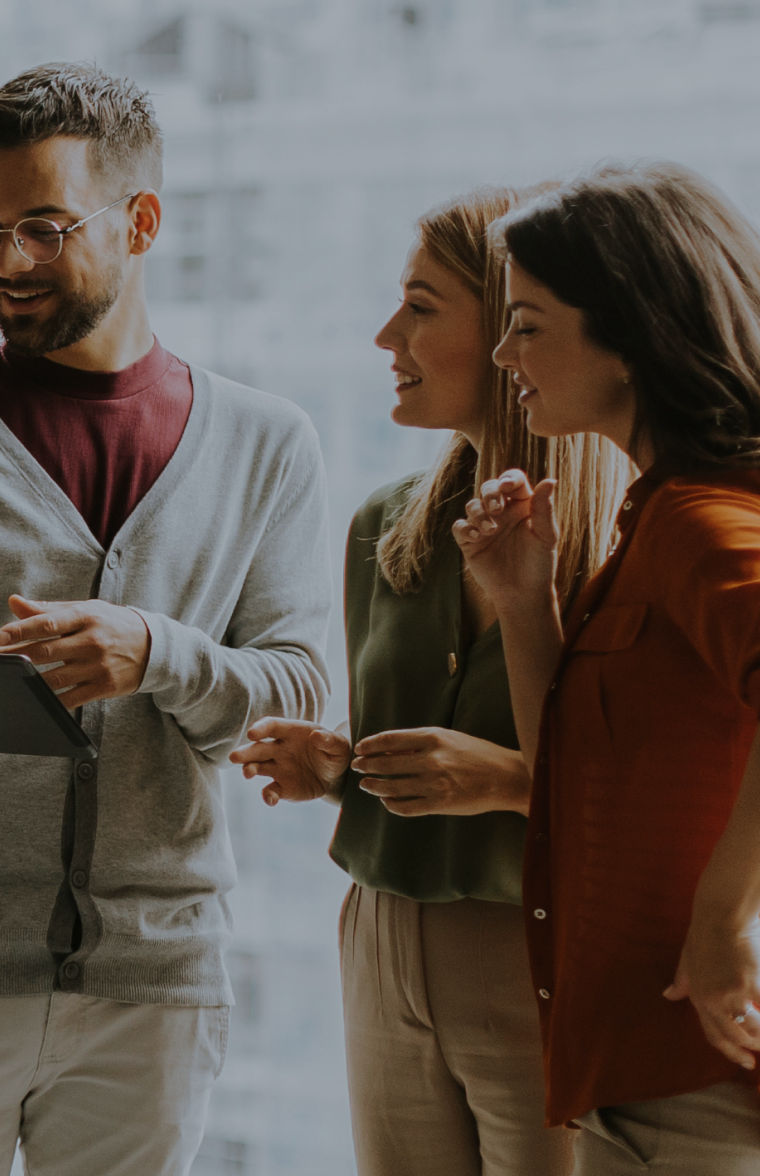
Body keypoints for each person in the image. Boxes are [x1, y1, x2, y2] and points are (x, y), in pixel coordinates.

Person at [0, 63, 332, 1175]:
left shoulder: (266, 443)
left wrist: (156, 653)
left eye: (42, 229)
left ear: (140, 221)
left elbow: (292, 687)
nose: (5, 265)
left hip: (156, 979)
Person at [232, 186, 627, 1176]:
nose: (383, 335)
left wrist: (497, 779)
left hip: (538, 952)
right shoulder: (383, 528)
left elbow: (657, 803)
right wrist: (335, 768)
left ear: (513, 332)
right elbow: (398, 757)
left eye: (418, 305)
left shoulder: (628, 552)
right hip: (378, 937)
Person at [453, 161, 760, 1174]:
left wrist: (721, 922)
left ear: (628, 337)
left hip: (694, 1080)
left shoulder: (701, 523)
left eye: (529, 323)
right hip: (638, 1074)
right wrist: (524, 604)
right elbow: (571, 784)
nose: (505, 353)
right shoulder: (651, 524)